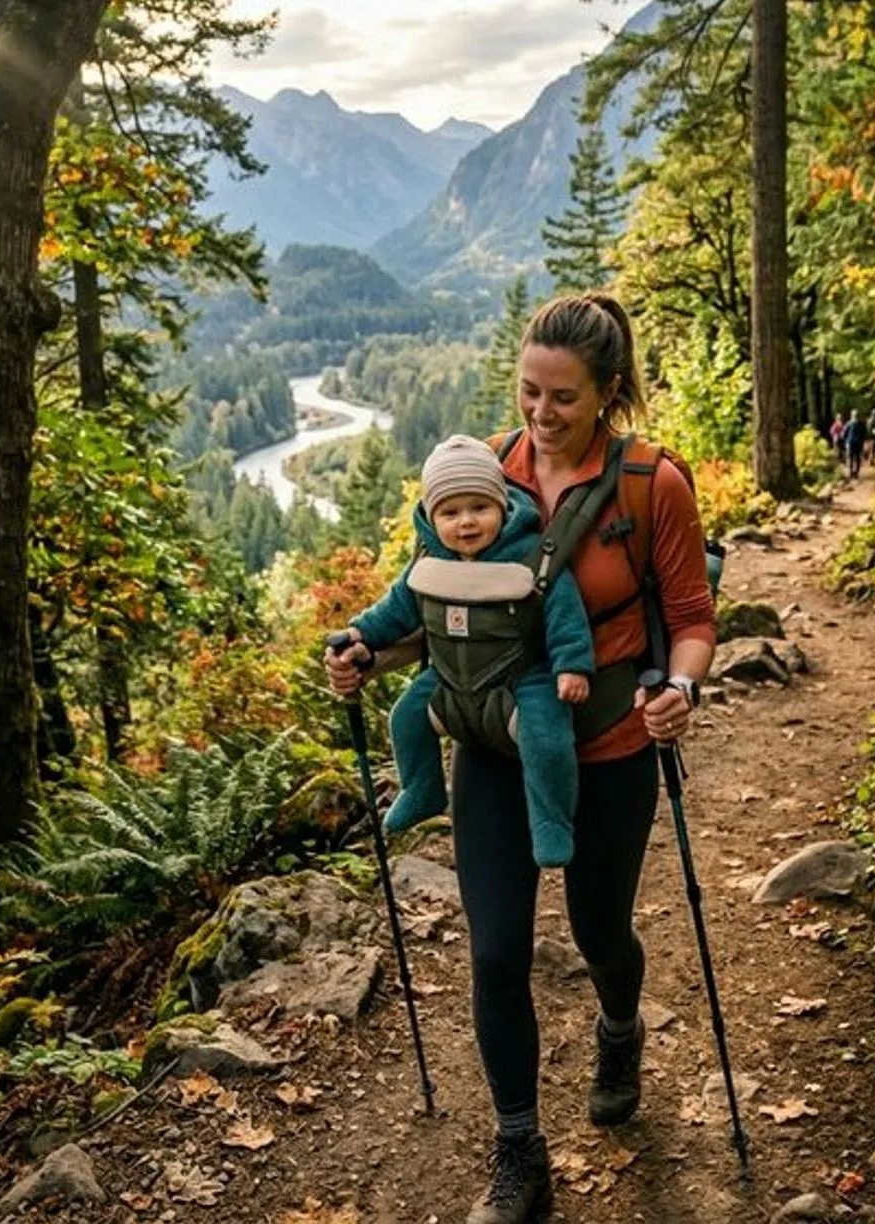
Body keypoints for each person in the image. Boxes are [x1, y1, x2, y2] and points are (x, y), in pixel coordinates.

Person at [325, 293, 715, 1224]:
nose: (539, 417)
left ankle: (619, 1026)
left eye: (563, 399)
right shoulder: (482, 471)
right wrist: (364, 657)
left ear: (609, 393)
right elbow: (436, 611)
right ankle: (518, 1149)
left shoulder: (648, 485)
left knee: (598, 933)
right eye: (528, 392)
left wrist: (682, 690)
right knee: (497, 951)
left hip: (612, 748)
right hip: (491, 748)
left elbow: (693, 620)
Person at [339, 434, 594, 869]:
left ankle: (551, 820)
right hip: (449, 679)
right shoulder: (428, 562)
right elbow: (395, 610)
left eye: (480, 508)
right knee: (404, 717)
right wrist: (360, 633)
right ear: (431, 517)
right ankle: (422, 789)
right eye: (450, 513)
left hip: (520, 677)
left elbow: (564, 612)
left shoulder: (529, 558)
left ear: (502, 506)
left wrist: (572, 665)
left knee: (547, 738)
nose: (467, 523)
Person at [843, 408, 866, 480]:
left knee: (851, 457)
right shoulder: (861, 424)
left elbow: (844, 434)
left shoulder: (848, 423)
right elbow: (864, 434)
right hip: (858, 443)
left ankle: (851, 473)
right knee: (857, 458)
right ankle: (855, 473)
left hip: (850, 443)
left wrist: (846, 441)